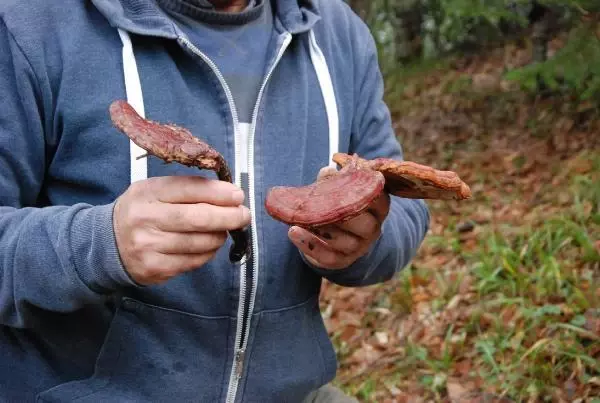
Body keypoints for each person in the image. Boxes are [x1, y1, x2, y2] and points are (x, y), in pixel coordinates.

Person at [0, 0, 430, 401]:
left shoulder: (338, 34)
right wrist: (99, 244)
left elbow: (406, 201)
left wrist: (366, 240)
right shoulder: (32, 25)